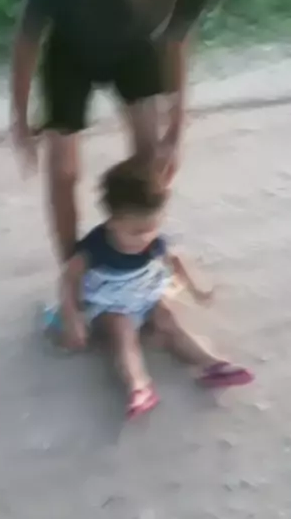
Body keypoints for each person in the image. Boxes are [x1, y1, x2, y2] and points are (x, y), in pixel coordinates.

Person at [10, 0, 240, 263]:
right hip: (70, 41)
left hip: (135, 44)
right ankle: (73, 267)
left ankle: (134, 259)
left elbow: (176, 40)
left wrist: (176, 130)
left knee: (151, 160)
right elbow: (28, 36)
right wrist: (19, 120)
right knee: (63, 169)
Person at [58, 158, 254, 418]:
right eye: (136, 231)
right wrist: (71, 317)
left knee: (168, 320)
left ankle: (211, 363)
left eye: (152, 227)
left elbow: (175, 259)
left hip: (145, 294)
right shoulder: (96, 246)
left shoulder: (152, 239)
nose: (146, 237)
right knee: (123, 333)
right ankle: (139, 386)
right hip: (110, 303)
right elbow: (69, 277)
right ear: (112, 222)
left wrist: (196, 288)